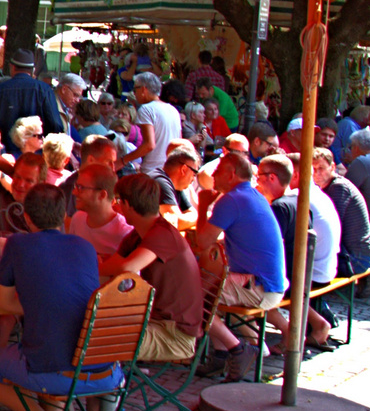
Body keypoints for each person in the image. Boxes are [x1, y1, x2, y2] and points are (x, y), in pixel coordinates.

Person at [0, 184, 122, 411]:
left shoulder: (18, 245)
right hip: (104, 369)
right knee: (52, 355)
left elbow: (5, 303)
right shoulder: (84, 247)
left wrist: (36, 303)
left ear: (27, 217)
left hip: (54, 369)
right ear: (64, 216)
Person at [191, 153, 287, 380]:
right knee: (206, 292)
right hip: (268, 283)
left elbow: (202, 242)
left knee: (190, 297)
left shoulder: (231, 199)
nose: (212, 175)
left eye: (217, 171)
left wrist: (204, 205)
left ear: (231, 173)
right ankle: (221, 357)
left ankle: (237, 349)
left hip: (259, 286)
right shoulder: (253, 195)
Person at [103, 174, 203, 362]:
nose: (115, 207)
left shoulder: (162, 233)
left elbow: (127, 267)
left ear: (127, 204)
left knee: (97, 337)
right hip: (157, 323)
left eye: (117, 201)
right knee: (93, 326)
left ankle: (107, 386)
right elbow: (111, 266)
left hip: (175, 336)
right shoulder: (139, 233)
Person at [256, 154, 336, 350]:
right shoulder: (298, 201)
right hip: (305, 269)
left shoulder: (280, 206)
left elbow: (268, 246)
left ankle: (289, 333)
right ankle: (318, 323)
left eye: (258, 176)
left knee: (252, 291)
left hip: (290, 276)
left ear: (272, 178)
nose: (256, 181)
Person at [0, 49, 66, 151]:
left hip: (5, 154)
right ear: (32, 69)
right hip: (36, 155)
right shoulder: (44, 90)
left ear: (12, 67)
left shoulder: (0, 90)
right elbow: (55, 125)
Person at [312, 147, 370, 279]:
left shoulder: (338, 188)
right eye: (313, 169)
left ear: (332, 167)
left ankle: (316, 299)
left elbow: (331, 228)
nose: (316, 173)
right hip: (348, 253)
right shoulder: (328, 187)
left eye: (321, 168)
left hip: (355, 258)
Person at [121, 72, 182, 179]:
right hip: (170, 171)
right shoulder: (173, 110)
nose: (134, 93)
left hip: (152, 171)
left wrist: (123, 160)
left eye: (135, 89)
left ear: (144, 89)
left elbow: (149, 145)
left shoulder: (146, 109)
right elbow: (179, 142)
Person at [67, 163, 133, 257]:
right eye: (76, 186)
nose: (74, 192)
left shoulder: (124, 233)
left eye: (81, 188)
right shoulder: (78, 219)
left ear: (102, 195)